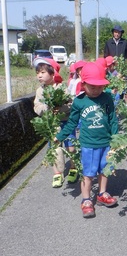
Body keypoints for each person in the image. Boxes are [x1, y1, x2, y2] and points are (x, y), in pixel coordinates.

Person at [54, 62, 119, 218]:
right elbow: (71, 123)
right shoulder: (79, 101)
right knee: (88, 174)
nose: (96, 89)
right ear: (83, 84)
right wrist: (60, 137)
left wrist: (116, 140)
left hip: (106, 143)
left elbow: (113, 119)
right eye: (92, 86)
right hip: (88, 145)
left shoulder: (107, 98)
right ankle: (86, 200)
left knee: (105, 170)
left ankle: (102, 194)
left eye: (99, 86)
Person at [33, 58, 78, 188]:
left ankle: (73, 168)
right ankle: (57, 173)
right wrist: (46, 109)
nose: (39, 75)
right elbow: (37, 106)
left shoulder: (62, 88)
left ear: (53, 74)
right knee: (55, 149)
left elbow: (71, 104)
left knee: (71, 147)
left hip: (66, 122)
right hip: (52, 125)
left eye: (42, 72)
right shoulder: (40, 91)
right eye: (38, 73)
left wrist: (62, 108)